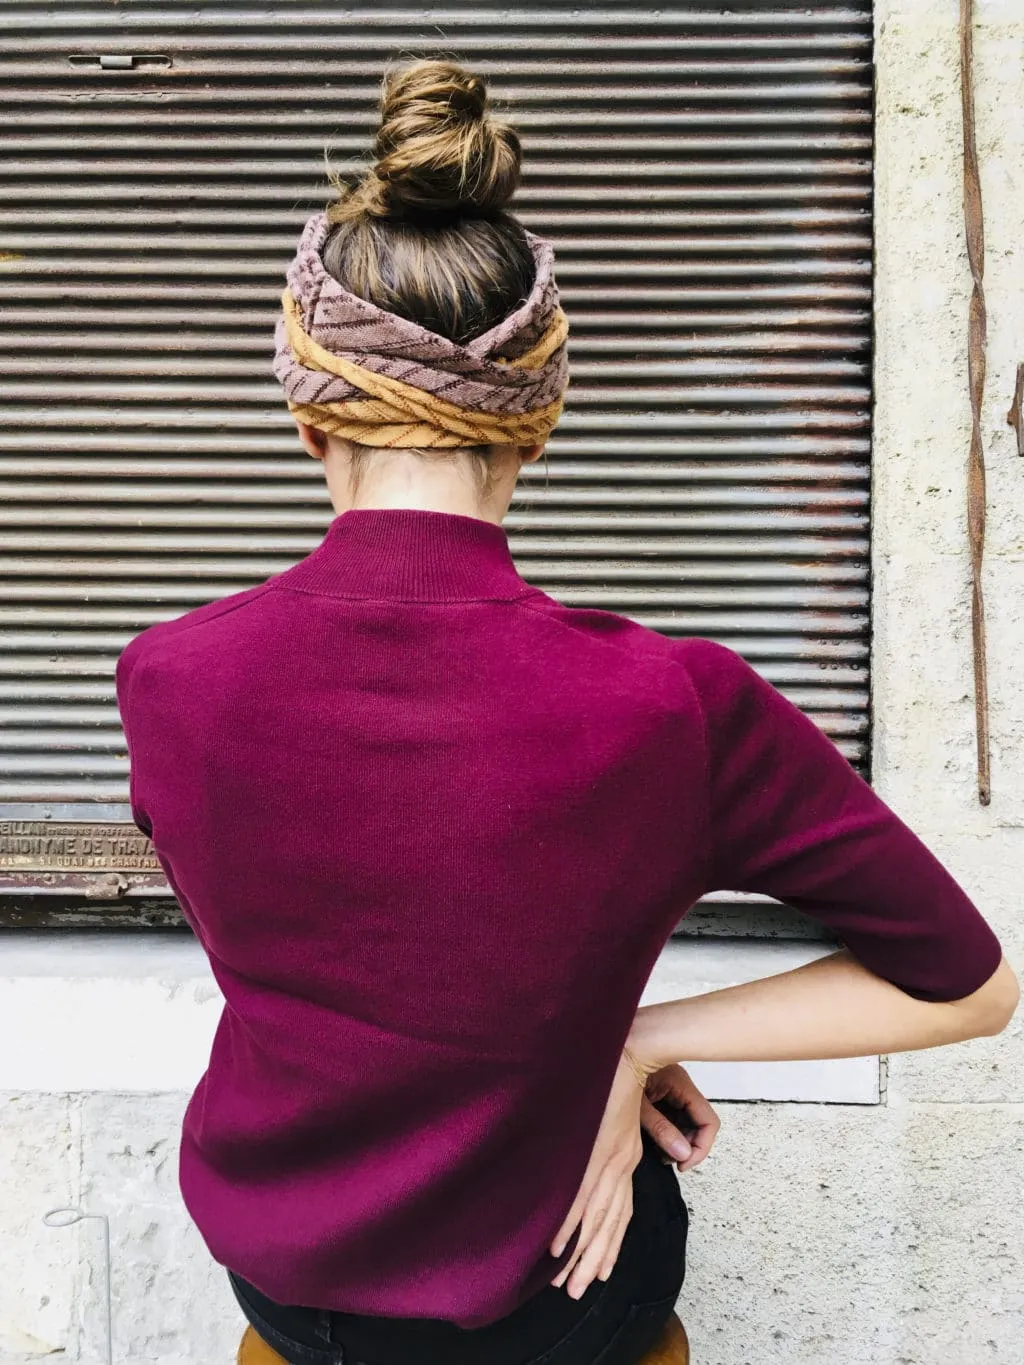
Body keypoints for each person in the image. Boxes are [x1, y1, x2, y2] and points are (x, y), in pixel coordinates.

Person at [114, 57, 1018, 1365]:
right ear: (539, 424)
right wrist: (634, 1042)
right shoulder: (676, 705)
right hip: (574, 1311)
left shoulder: (171, 679)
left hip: (292, 1315)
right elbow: (970, 986)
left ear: (310, 418)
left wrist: (618, 1041)